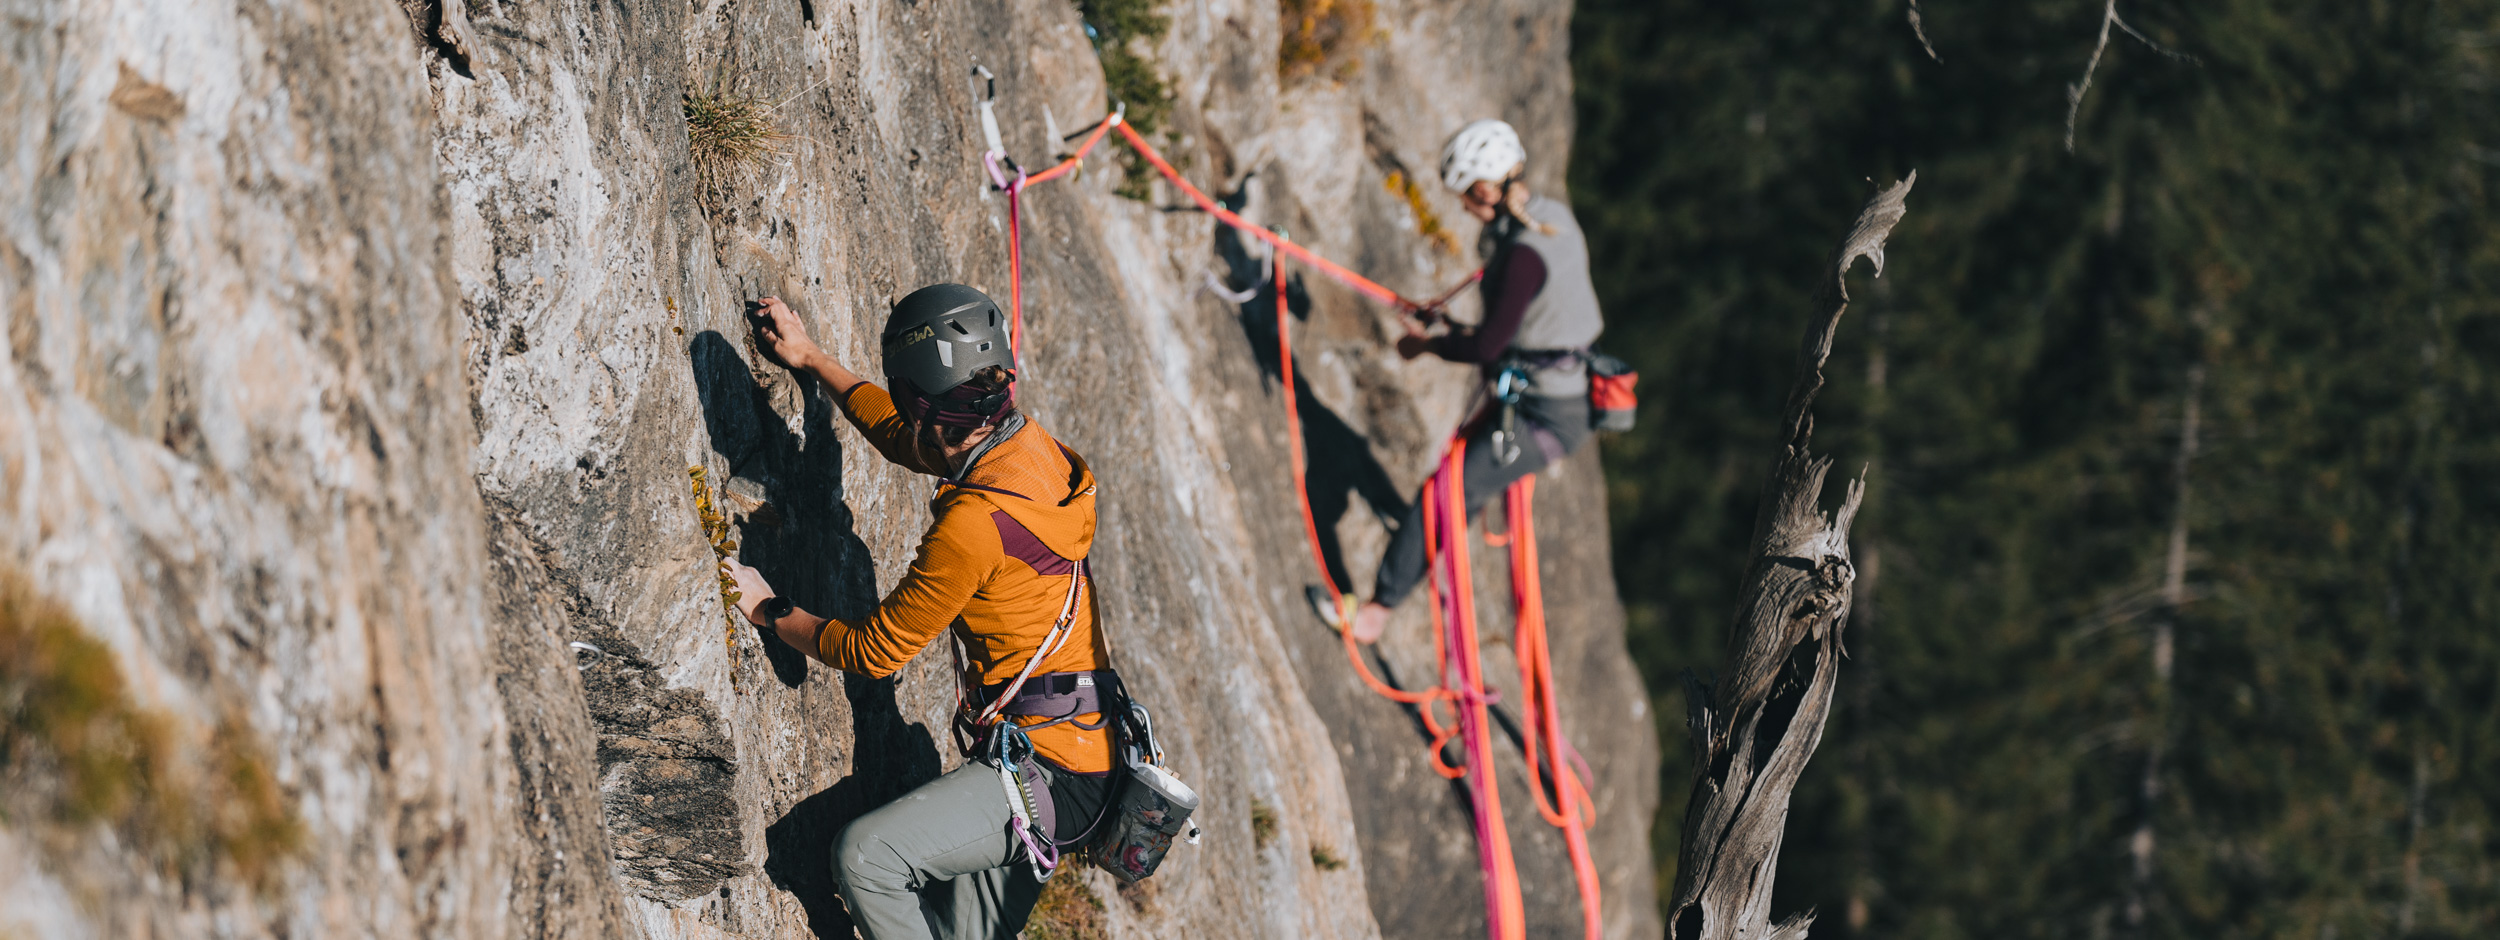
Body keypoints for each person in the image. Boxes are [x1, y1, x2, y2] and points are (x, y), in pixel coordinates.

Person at [723, 285, 1113, 940]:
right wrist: (812, 359)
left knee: (868, 858)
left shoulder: (975, 522)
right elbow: (907, 439)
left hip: (1052, 774)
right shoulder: (1026, 451)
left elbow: (874, 653)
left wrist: (767, 608)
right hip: (1085, 746)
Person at [1321, 118, 1606, 643]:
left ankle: (1376, 613)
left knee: (1446, 492)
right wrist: (1447, 327)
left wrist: (1426, 344)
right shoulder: (1548, 218)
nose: (1462, 208)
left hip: (1549, 414)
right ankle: (1414, 564)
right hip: (1556, 391)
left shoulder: (1522, 253)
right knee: (1460, 491)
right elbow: (1519, 326)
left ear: (1484, 190)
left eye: (1465, 198)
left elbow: (1487, 346)